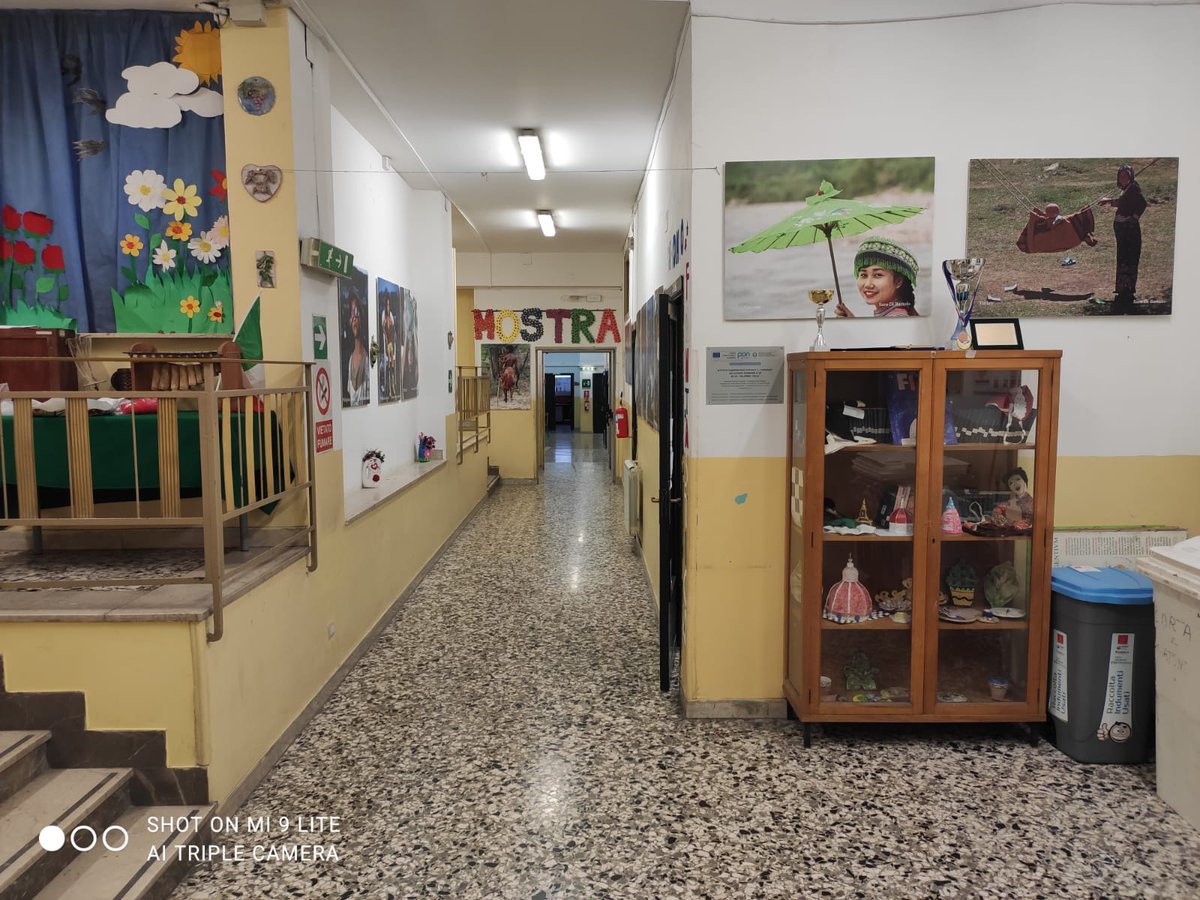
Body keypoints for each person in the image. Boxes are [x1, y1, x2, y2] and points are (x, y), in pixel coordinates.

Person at [1099, 164, 1148, 310]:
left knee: (1129, 259)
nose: (1122, 178)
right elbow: (1123, 203)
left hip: (1129, 231)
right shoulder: (1127, 189)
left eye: (1125, 176)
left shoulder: (1133, 188)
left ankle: (1128, 291)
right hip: (1122, 231)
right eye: (1120, 176)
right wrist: (1110, 201)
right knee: (1122, 259)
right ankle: (1122, 290)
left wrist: (1134, 218)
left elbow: (1142, 203)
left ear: (1131, 176)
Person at [835, 236, 919, 317]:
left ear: (898, 282)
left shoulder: (896, 318)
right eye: (864, 275)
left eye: (878, 275)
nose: (868, 284)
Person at [346, 291, 369, 406]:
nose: (354, 318)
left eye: (357, 313)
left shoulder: (367, 359)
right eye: (352, 314)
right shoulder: (350, 360)